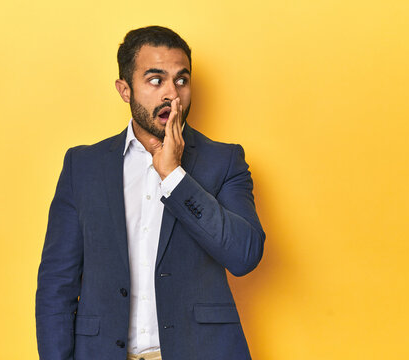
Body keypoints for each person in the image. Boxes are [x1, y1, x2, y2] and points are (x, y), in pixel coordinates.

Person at [35, 26, 265, 360]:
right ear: (125, 89)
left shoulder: (224, 160)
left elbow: (245, 255)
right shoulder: (82, 166)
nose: (172, 94)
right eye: (155, 80)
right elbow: (57, 284)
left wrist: (174, 176)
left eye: (181, 80)